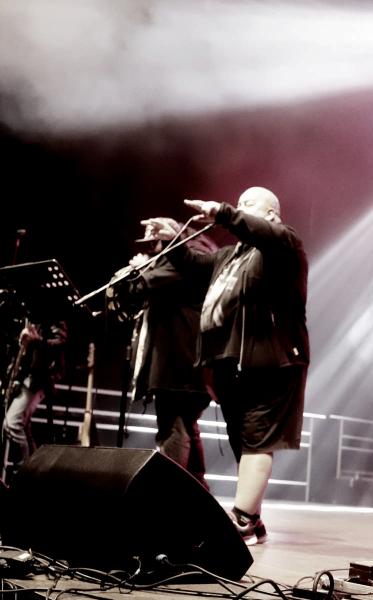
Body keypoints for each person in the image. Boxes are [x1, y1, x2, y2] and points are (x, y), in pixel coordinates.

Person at [142, 186, 309, 545]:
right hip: (232, 365)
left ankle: (244, 522)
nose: (241, 208)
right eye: (239, 203)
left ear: (271, 215)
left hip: (272, 362)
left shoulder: (284, 244)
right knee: (243, 441)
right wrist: (174, 236)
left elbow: (258, 230)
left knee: (257, 442)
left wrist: (223, 212)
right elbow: (192, 264)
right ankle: (255, 521)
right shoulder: (230, 256)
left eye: (249, 205)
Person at [113, 219, 217, 488]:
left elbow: (140, 286)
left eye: (153, 243)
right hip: (188, 361)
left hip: (178, 361)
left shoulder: (180, 261)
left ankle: (169, 495)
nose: (149, 250)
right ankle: (199, 492)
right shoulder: (188, 258)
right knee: (185, 426)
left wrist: (137, 269)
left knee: (172, 427)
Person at [0, 318, 68, 471]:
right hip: (24, 379)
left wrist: (36, 340)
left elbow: (61, 343)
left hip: (38, 379)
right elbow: (21, 352)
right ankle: (33, 470)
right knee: (22, 427)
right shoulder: (29, 317)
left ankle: (26, 471)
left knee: (12, 424)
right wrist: (6, 380)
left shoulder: (52, 315)